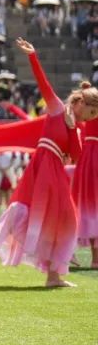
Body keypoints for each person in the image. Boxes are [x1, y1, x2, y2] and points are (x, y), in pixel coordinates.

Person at [0, 39, 98, 287]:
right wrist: (32, 56)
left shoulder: (75, 127)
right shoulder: (56, 108)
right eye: (91, 112)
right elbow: (44, 84)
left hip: (55, 170)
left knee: (64, 218)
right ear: (81, 103)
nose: (90, 118)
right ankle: (52, 275)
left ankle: (53, 275)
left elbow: (76, 155)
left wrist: (71, 129)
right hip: (43, 168)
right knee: (56, 216)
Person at [74, 115, 98, 268]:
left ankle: (95, 259)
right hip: (90, 156)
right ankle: (95, 260)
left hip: (87, 157)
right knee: (91, 209)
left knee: (89, 208)